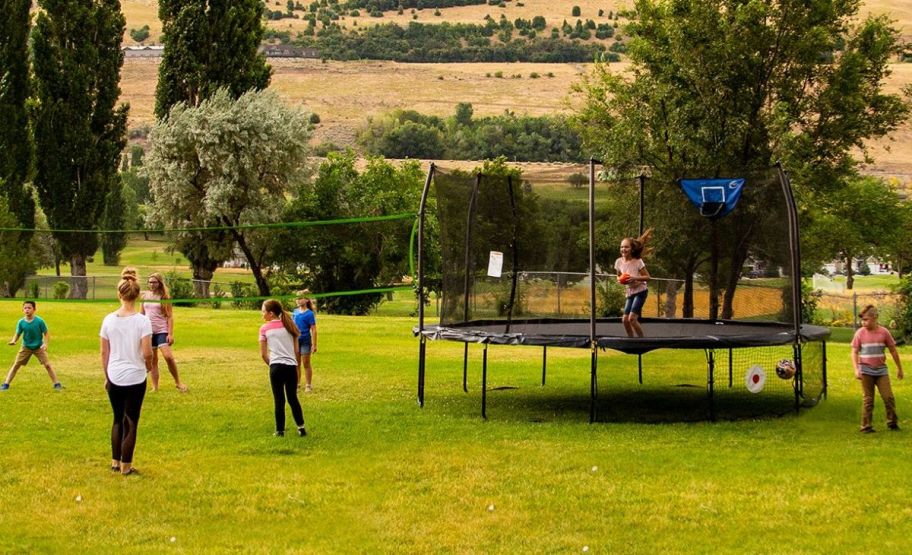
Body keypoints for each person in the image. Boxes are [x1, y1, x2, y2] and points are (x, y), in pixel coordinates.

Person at [100, 268, 154, 475]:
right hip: (135, 376)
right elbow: (148, 352)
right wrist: (148, 366)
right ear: (138, 295)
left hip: (114, 375)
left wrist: (107, 376)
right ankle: (126, 466)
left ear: (119, 294)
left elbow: (104, 353)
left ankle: (115, 461)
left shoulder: (108, 320)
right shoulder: (142, 321)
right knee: (131, 420)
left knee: (117, 419)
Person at [851, 304, 904, 433]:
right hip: (866, 370)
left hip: (881, 371)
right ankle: (866, 426)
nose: (863, 322)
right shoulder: (860, 333)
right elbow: (854, 351)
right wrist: (856, 369)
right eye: (862, 320)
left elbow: (893, 350)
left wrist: (899, 368)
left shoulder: (884, 332)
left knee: (888, 397)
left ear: (875, 318)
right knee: (868, 399)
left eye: (866, 319)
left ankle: (892, 422)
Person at [260, 299, 307, 437]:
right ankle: (301, 428)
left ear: (271, 313)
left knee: (279, 399)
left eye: (263, 311)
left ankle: (280, 431)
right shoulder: (290, 325)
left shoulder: (264, 328)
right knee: (293, 398)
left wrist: (273, 364)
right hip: (291, 367)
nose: (262, 314)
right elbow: (296, 350)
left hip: (276, 367)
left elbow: (263, 354)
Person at [141, 272, 188, 392]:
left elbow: (170, 316)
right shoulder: (145, 296)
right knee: (153, 360)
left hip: (161, 331)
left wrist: (170, 334)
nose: (151, 284)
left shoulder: (164, 297)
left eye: (154, 282)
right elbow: (142, 314)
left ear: (159, 283)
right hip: (148, 332)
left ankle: (178, 382)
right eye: (150, 282)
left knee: (168, 357)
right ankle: (155, 387)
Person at [2, 300, 61, 391]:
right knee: (16, 365)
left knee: (47, 365)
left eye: (29, 308)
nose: (27, 310)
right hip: (26, 347)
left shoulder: (39, 321)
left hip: (38, 347)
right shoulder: (21, 322)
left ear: (34, 309)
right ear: (22, 310)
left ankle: (57, 384)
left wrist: (45, 344)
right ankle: (6, 384)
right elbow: (18, 333)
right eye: (25, 308)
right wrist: (14, 340)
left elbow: (46, 333)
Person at [614, 229, 652, 338]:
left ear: (631, 249)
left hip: (641, 291)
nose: (623, 249)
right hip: (630, 292)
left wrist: (634, 278)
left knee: (632, 319)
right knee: (625, 320)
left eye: (626, 247)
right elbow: (618, 276)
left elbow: (648, 277)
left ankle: (642, 341)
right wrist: (620, 280)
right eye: (622, 247)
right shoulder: (618, 262)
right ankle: (630, 340)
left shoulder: (638, 261)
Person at [292, 292, 318, 392]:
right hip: (296, 341)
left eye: (301, 298)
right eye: (297, 298)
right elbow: (292, 326)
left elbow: (314, 329)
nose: (298, 300)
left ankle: (308, 384)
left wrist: (314, 344)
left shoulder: (309, 314)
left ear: (306, 300)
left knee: (306, 363)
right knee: (296, 363)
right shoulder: (295, 312)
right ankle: (297, 383)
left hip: (305, 340)